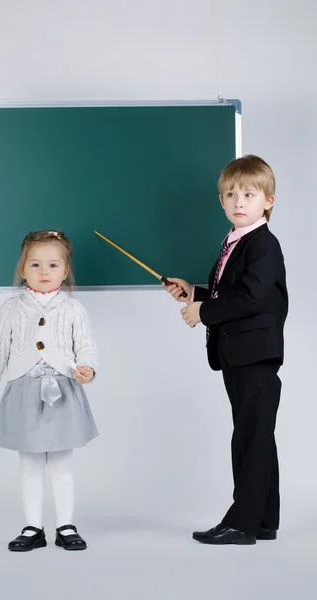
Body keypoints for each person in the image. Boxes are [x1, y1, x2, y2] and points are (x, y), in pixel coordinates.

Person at [165, 155, 288, 545]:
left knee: (249, 439)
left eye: (249, 194)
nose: (239, 201)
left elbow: (252, 298)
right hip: (242, 352)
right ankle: (263, 521)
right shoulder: (237, 241)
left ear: (267, 200)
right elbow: (234, 292)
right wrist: (196, 292)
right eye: (231, 194)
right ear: (221, 201)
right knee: (256, 437)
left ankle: (243, 524)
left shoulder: (263, 243)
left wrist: (204, 312)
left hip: (255, 353)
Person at [0, 229, 98, 552]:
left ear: (65, 271)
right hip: (24, 392)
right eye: (36, 265)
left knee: (61, 463)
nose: (44, 272)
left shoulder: (72, 309)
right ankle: (33, 527)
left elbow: (86, 347)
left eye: (53, 266)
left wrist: (88, 369)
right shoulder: (12, 309)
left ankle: (66, 525)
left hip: (62, 391)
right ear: (23, 269)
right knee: (29, 463)